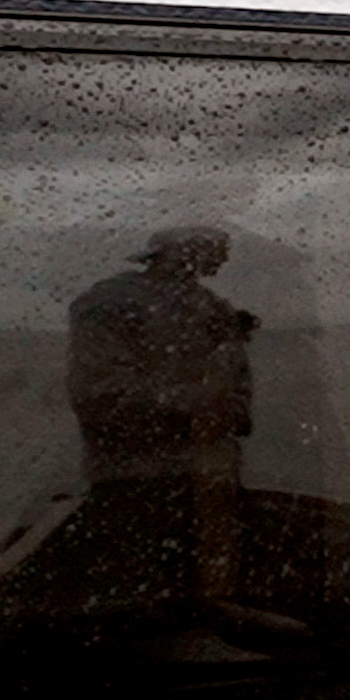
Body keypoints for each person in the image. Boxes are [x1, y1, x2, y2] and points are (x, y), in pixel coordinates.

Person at [68, 224, 255, 600]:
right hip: (135, 481)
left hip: (211, 480)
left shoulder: (214, 308)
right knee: (136, 597)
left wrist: (228, 412)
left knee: (210, 588)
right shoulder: (110, 303)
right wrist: (201, 405)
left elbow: (237, 393)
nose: (224, 257)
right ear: (181, 251)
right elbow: (101, 398)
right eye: (216, 248)